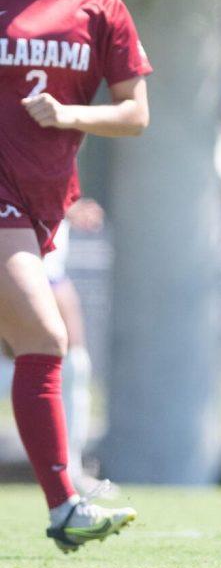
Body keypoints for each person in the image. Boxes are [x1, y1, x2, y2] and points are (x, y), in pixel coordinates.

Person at [0, 0, 151, 552]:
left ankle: (67, 500)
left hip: (43, 208)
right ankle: (66, 504)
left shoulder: (101, 9)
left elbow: (135, 114)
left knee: (44, 344)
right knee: (46, 338)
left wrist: (67, 116)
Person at [43, 197, 115, 497]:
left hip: (49, 272)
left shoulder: (60, 152)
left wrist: (67, 208)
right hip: (19, 265)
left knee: (74, 367)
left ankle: (70, 470)